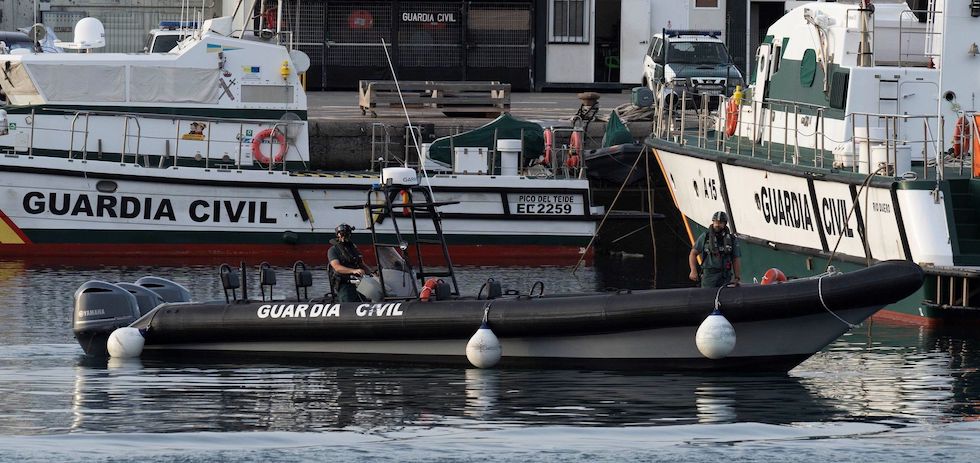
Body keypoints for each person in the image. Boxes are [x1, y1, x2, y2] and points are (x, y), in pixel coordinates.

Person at [689, 211, 742, 288]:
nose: (717, 224)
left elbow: (736, 258)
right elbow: (693, 253)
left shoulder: (731, 239)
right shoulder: (705, 236)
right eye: (715, 222)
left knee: (725, 297)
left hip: (725, 276)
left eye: (720, 222)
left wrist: (737, 277)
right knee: (707, 297)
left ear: (725, 224)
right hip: (709, 276)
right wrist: (693, 270)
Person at [328, 223, 371, 302]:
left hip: (359, 282)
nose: (344, 236)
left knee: (366, 299)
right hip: (345, 283)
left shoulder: (353, 248)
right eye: (342, 233)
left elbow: (361, 264)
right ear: (338, 235)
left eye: (347, 234)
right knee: (348, 301)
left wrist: (372, 272)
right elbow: (337, 267)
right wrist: (353, 270)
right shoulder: (333, 250)